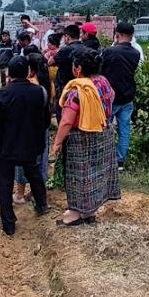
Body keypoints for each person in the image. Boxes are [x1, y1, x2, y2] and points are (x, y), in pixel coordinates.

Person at [50, 48, 120, 226]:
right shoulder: (104, 82)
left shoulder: (78, 90)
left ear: (78, 69)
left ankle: (75, 213)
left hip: (82, 138)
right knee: (96, 174)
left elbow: (66, 121)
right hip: (103, 134)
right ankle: (89, 211)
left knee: (79, 176)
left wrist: (57, 143)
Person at [0, 56, 51, 235]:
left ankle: (9, 224)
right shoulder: (40, 92)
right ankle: (41, 205)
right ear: (28, 72)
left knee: (5, 184)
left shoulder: (3, 93)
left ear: (9, 73)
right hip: (30, 145)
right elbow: (46, 122)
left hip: (5, 147)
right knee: (34, 174)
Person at [13, 50, 51, 205]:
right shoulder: (46, 84)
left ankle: (20, 194)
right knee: (40, 161)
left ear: (31, 69)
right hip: (42, 128)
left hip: (28, 129)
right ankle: (37, 194)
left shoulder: (31, 87)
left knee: (23, 162)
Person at [101, 23, 141, 167]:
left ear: (117, 34)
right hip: (128, 96)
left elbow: (100, 70)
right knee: (124, 129)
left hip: (110, 98)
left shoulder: (109, 52)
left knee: (105, 129)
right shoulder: (135, 53)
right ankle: (120, 161)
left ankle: (105, 158)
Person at [53, 24, 84, 115]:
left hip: (65, 86)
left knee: (62, 110)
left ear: (67, 37)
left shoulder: (65, 50)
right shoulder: (85, 48)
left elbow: (51, 62)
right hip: (81, 85)